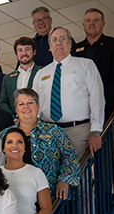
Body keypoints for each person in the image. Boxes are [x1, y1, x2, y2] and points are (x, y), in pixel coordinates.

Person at [32, 26, 105, 158]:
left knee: (78, 174)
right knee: (53, 175)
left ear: (70, 44)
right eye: (54, 40)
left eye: (62, 39)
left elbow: (97, 99)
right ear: (49, 46)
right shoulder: (41, 73)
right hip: (50, 132)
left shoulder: (86, 65)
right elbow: (35, 105)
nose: (58, 42)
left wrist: (95, 132)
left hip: (78, 131)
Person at [0, 88, 80, 200]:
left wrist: (64, 180)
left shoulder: (54, 131)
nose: (26, 106)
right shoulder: (5, 135)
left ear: (38, 106)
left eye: (30, 103)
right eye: (21, 104)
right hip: (14, 197)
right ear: (16, 110)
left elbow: (70, 155)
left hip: (50, 196)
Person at [0, 128, 52, 214]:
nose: (15, 145)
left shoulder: (36, 173)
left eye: (19, 142)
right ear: (3, 148)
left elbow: (46, 209)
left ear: (25, 148)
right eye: (10, 142)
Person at [73, 7, 114, 121]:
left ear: (103, 23)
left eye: (96, 20)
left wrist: (99, 98)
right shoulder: (75, 49)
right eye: (88, 21)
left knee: (103, 137)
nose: (91, 23)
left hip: (105, 104)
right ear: (83, 24)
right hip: (81, 106)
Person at [0, 37, 43, 118]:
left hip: (39, 120)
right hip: (16, 123)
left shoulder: (43, 72)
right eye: (20, 50)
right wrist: (14, 119)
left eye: (27, 49)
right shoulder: (8, 78)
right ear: (16, 54)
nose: (24, 53)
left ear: (34, 52)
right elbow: (3, 102)